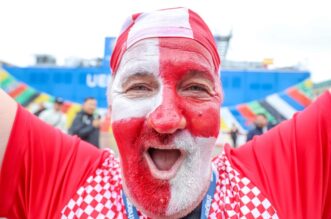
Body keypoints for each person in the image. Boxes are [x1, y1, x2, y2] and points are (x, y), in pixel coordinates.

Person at [0, 7, 331, 219]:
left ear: (219, 101)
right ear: (111, 107)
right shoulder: (60, 180)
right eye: (139, 87)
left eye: (195, 88)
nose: (166, 117)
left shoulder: (278, 179)